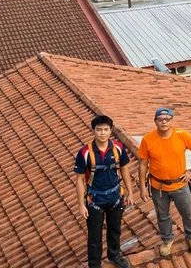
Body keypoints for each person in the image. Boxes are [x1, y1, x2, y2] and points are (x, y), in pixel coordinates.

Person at [138, 107, 191, 256]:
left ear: (171, 121)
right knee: (162, 215)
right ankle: (167, 239)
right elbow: (142, 163)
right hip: (158, 186)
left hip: (180, 184)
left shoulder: (182, 135)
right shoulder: (148, 139)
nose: (164, 122)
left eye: (167, 119)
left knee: (188, 213)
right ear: (155, 121)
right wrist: (142, 187)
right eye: (160, 119)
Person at [74, 115, 134, 268]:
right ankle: (94, 264)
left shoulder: (118, 148)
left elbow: (124, 169)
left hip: (115, 197)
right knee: (94, 235)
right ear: (93, 131)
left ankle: (114, 255)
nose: (102, 133)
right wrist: (81, 205)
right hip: (95, 200)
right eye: (99, 130)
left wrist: (130, 192)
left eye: (106, 130)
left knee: (115, 229)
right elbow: (80, 179)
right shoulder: (85, 153)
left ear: (110, 130)